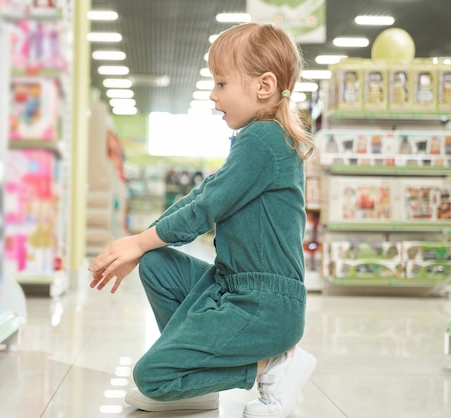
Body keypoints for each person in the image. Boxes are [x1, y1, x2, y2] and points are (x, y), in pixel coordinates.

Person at [88, 22, 317, 418]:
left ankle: (272, 366)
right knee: (158, 264)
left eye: (221, 83)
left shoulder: (262, 140)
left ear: (263, 86)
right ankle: (194, 387)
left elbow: (204, 208)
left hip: (263, 305)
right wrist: (143, 242)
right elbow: (201, 195)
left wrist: (138, 242)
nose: (213, 95)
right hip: (235, 287)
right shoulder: (258, 138)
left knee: (152, 377)